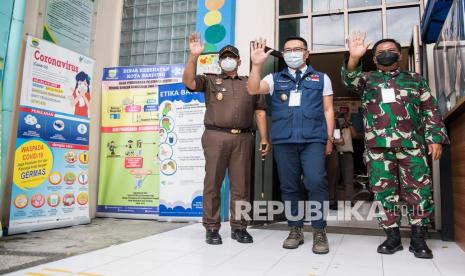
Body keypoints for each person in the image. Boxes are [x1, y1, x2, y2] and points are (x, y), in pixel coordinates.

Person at [342, 31, 449, 259]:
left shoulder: (415, 79)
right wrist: (353, 58)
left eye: (391, 51)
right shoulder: (367, 80)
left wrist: (435, 138)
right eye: (380, 52)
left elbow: (430, 110)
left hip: (412, 146)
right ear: (373, 59)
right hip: (378, 148)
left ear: (399, 55)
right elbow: (349, 78)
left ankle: (419, 239)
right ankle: (392, 238)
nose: (386, 54)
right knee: (383, 193)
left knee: (419, 192)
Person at [248, 37, 334, 254]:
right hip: (284, 140)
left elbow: (328, 110)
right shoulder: (275, 78)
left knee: (316, 182)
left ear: (307, 53)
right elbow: (253, 89)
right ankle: (295, 228)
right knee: (289, 186)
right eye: (287, 50)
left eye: (297, 49)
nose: (292, 53)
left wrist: (329, 138)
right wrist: (256, 65)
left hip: (313, 139)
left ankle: (319, 230)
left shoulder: (321, 78)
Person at [183, 33, 270, 245]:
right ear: (220, 61)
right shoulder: (211, 80)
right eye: (224, 57)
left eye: (232, 57)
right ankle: (212, 227)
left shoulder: (250, 83)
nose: (228, 60)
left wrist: (264, 138)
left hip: (243, 138)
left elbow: (259, 112)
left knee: (241, 186)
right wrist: (194, 57)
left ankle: (239, 228)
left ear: (239, 61)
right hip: (215, 137)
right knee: (212, 183)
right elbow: (189, 82)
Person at [335, 113, 357, 202]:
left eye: (342, 119)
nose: (341, 121)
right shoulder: (334, 129)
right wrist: (337, 127)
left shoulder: (348, 129)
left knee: (348, 179)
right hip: (335, 154)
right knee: (334, 179)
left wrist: (349, 123)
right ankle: (335, 200)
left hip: (347, 154)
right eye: (339, 119)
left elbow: (355, 135)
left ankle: (349, 200)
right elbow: (339, 141)